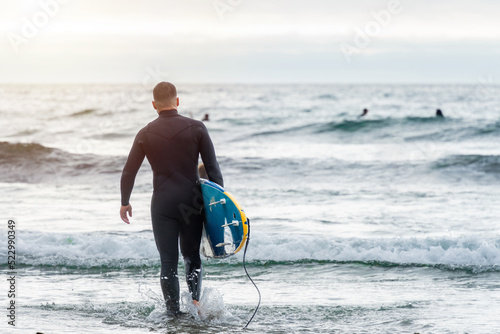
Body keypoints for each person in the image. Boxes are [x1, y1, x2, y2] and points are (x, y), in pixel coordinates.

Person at [119, 82, 223, 316]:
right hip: (192, 202)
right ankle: (196, 305)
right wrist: (217, 206)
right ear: (177, 101)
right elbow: (213, 171)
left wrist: (125, 201)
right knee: (192, 256)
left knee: (168, 262)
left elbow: (129, 171)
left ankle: (173, 313)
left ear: (154, 105)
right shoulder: (197, 128)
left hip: (163, 204)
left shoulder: (145, 133)